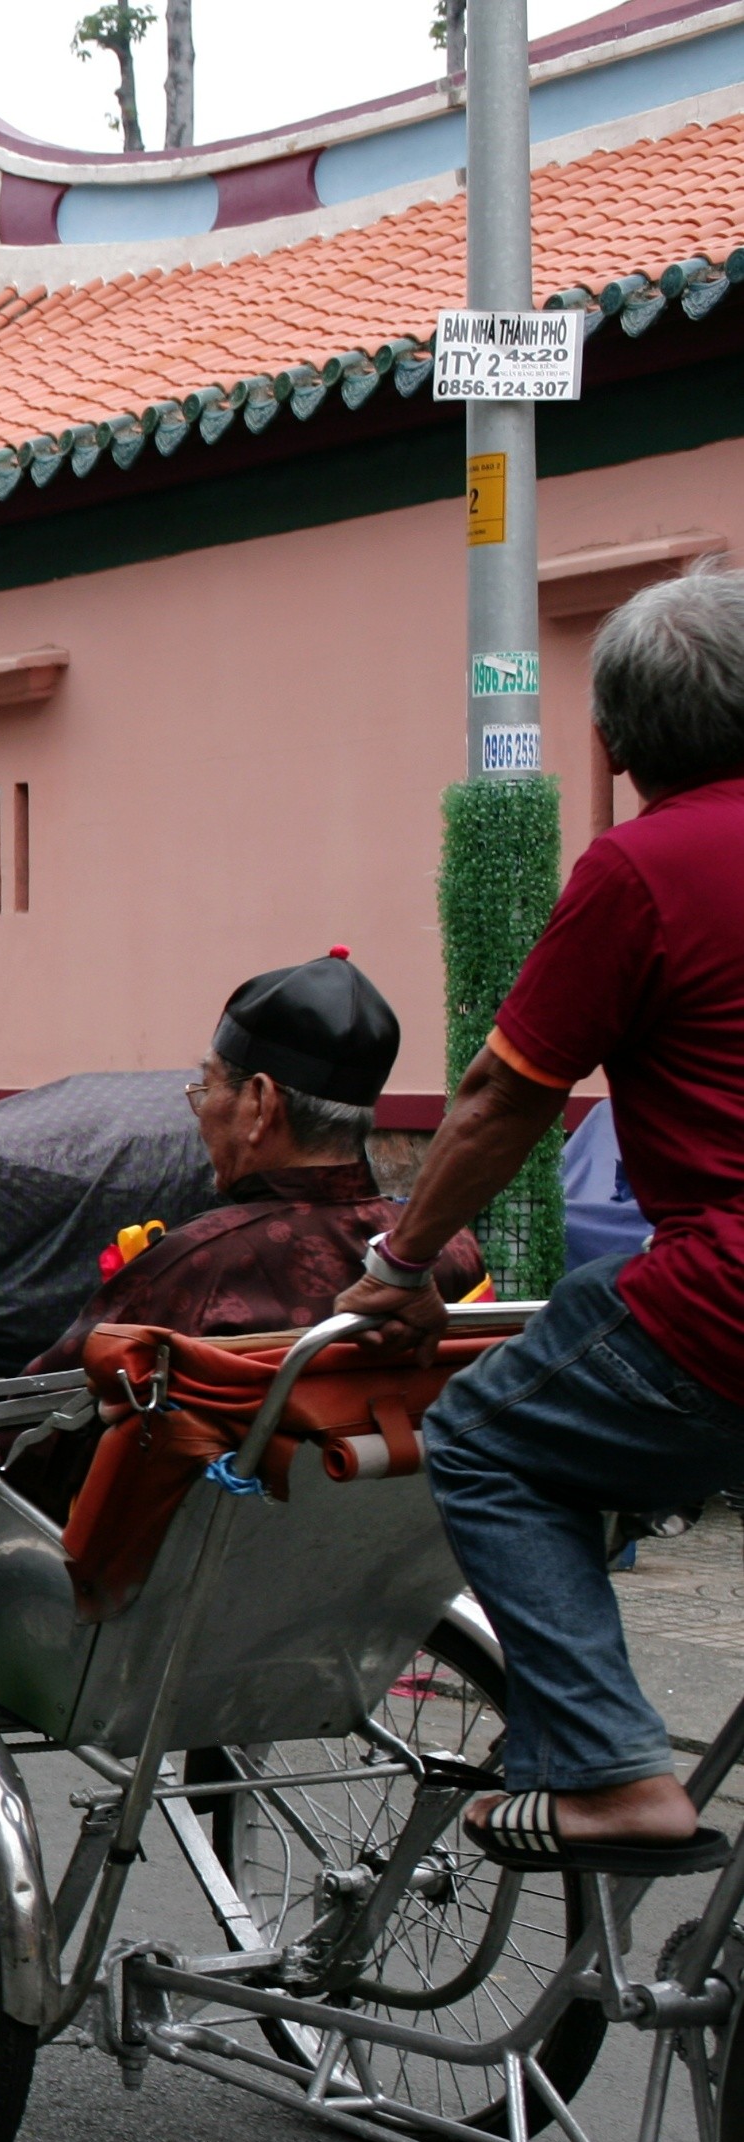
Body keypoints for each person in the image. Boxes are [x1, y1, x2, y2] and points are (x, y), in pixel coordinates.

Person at [337, 568, 744, 1872]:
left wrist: (402, 1263)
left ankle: (616, 1769)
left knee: (489, 1442)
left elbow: (503, 1096)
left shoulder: (637, 871)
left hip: (720, 1299)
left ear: (614, 746)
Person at [0, 953, 486, 1606]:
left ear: (260, 1103)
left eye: (204, 1086)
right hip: (338, 1556)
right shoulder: (445, 1256)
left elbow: (33, 1426)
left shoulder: (200, 1262)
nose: (199, 1107)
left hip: (137, 1567)